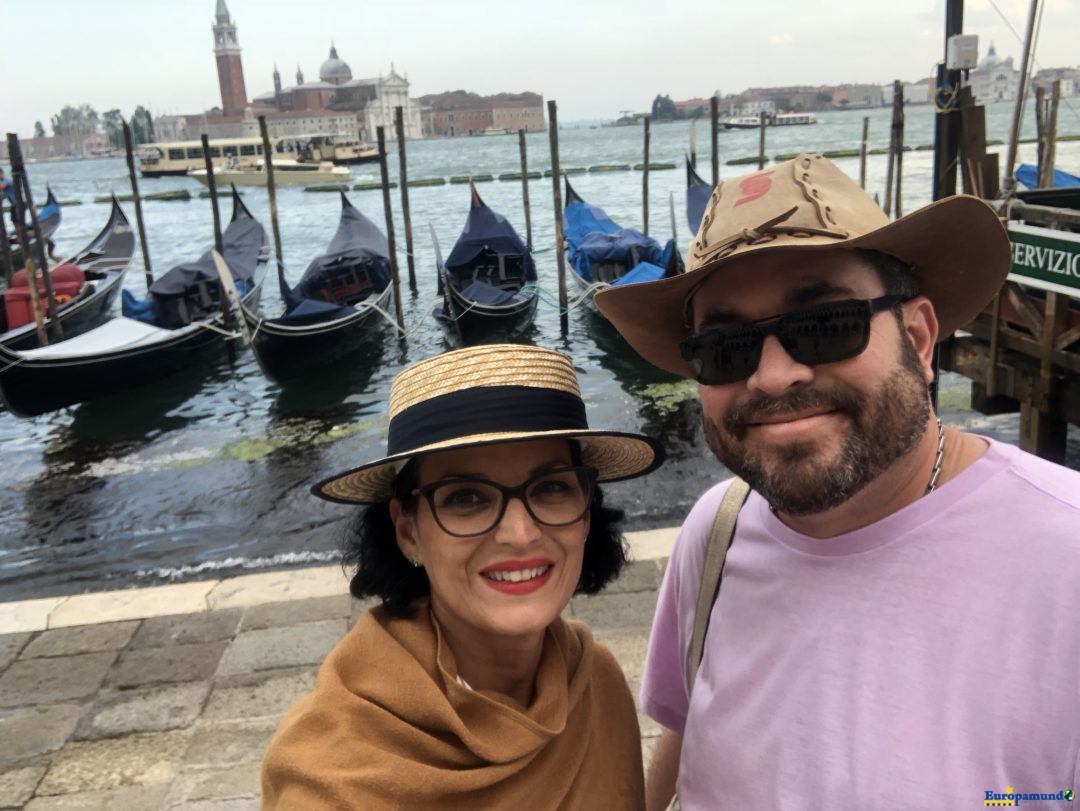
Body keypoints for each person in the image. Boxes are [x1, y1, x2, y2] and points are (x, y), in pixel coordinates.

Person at [595, 153, 1080, 810]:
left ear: (919, 335)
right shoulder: (717, 531)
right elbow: (685, 740)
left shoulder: (1063, 557)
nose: (773, 375)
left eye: (824, 326)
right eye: (725, 349)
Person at [261, 343, 665, 810]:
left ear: (587, 512)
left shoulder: (595, 683)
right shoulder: (333, 778)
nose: (520, 533)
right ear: (408, 530)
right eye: (466, 498)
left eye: (552, 487)